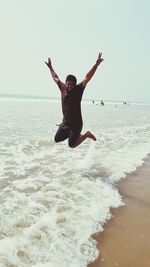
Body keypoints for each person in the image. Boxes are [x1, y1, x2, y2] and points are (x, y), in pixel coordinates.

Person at [45, 52, 104, 148]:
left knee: (71, 145)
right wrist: (50, 68)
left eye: (72, 84)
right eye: (68, 84)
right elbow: (55, 78)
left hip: (76, 124)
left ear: (75, 85)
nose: (70, 86)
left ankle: (86, 135)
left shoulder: (78, 90)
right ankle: (75, 135)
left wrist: (96, 64)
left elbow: (87, 77)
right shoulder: (62, 87)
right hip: (65, 123)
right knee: (57, 139)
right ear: (66, 83)